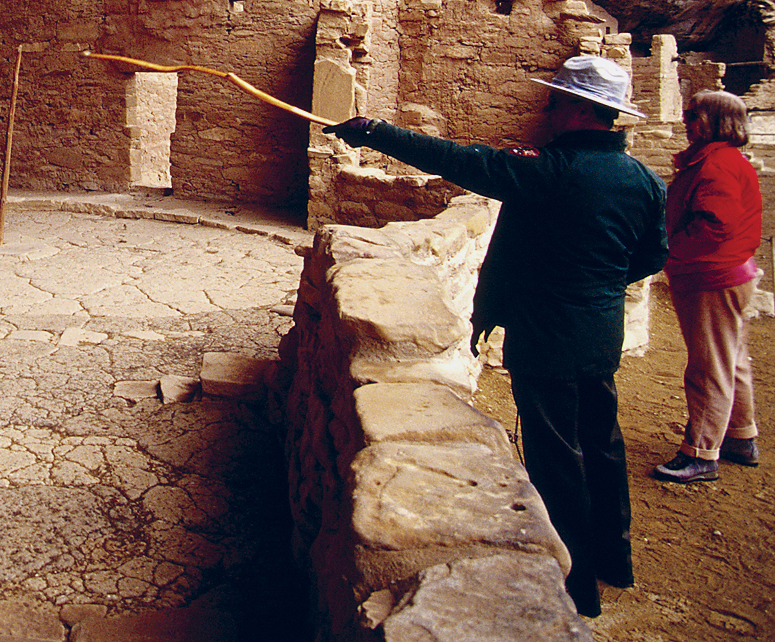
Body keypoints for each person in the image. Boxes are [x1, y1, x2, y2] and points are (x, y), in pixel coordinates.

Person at [324, 54, 668, 619]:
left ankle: (575, 586)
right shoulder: (641, 179)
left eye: (556, 100)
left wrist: (376, 133)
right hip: (598, 333)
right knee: (602, 443)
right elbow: (652, 253)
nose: (548, 109)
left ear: (582, 109)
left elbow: (463, 162)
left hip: (546, 334)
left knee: (556, 457)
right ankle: (615, 556)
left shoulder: (551, 171)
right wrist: (596, 287)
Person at [652, 90, 762, 483]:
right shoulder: (720, 159)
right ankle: (740, 436)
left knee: (708, 366)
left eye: (693, 114)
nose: (685, 120)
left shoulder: (716, 165)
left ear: (716, 121)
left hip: (710, 275)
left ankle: (701, 452)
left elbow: (715, 225)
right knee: (731, 360)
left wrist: (668, 250)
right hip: (730, 273)